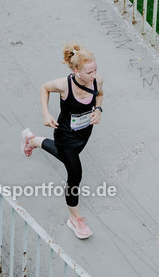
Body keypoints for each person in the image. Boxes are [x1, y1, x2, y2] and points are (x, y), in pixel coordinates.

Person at [22, 44, 105, 239]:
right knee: (75, 173)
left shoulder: (97, 80)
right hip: (65, 135)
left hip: (84, 133)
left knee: (64, 156)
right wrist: (46, 112)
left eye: (95, 69)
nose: (94, 75)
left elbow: (99, 95)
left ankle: (32, 140)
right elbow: (44, 88)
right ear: (76, 71)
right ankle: (74, 218)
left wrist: (98, 110)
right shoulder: (64, 85)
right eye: (88, 71)